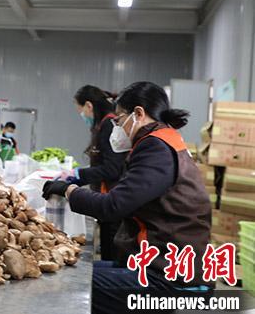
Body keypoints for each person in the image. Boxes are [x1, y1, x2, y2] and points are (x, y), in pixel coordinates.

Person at [42, 82, 212, 314]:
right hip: (161, 263)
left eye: (120, 120)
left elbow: (112, 206)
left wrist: (68, 190)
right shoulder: (164, 140)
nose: (117, 128)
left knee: (67, 284)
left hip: (168, 277)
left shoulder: (156, 148)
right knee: (73, 269)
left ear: (139, 114)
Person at [70, 85, 127, 261]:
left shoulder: (110, 126)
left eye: (81, 111)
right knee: (107, 252)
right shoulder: (104, 125)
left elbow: (112, 169)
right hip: (108, 200)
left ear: (89, 105)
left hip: (113, 201)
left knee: (111, 255)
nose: (83, 116)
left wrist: (79, 175)